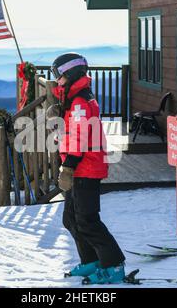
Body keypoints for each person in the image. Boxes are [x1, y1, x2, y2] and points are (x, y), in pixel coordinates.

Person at [50, 53, 126, 284]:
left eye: (59, 76)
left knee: (87, 220)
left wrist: (69, 167)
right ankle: (92, 261)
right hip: (79, 165)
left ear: (71, 75)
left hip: (86, 167)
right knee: (71, 219)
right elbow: (74, 131)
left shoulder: (81, 100)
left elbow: (82, 136)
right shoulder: (73, 100)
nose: (57, 81)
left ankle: (113, 266)